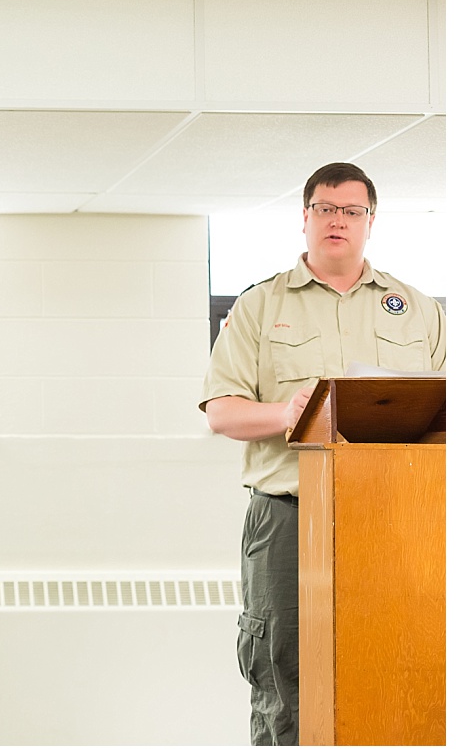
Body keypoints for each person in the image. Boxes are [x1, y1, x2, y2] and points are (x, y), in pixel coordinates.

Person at [199, 161, 445, 746]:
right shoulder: (260, 306)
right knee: (283, 668)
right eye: (326, 209)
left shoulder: (418, 308)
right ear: (305, 219)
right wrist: (289, 414)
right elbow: (221, 411)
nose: (339, 221)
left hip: (393, 516)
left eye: (351, 211)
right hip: (290, 514)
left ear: (370, 222)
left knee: (397, 662)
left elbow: (440, 414)